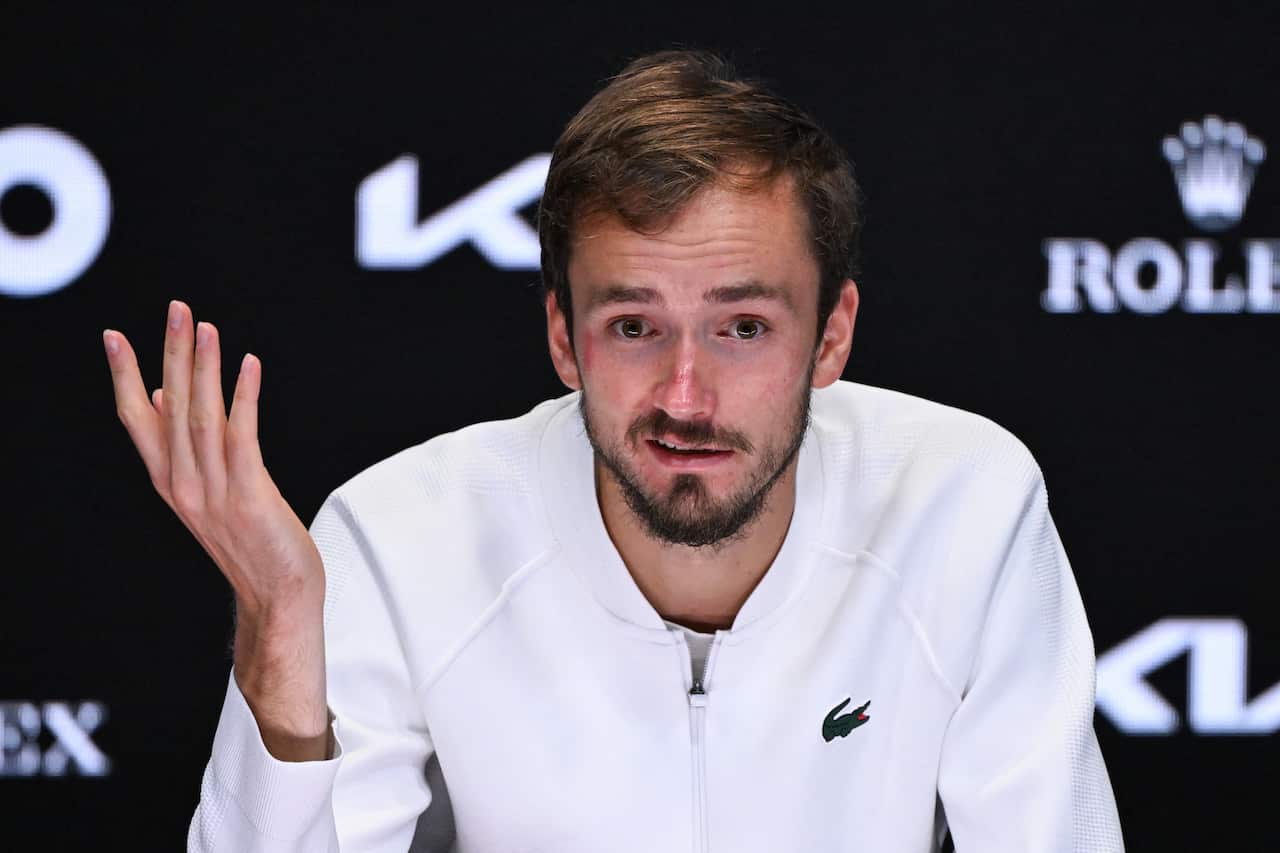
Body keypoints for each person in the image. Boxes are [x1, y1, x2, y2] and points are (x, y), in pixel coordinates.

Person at [102, 49, 1124, 852]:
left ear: (832, 336)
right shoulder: (401, 532)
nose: (685, 395)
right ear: (562, 338)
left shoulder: (964, 502)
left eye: (742, 327)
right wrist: (279, 624)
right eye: (633, 326)